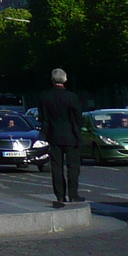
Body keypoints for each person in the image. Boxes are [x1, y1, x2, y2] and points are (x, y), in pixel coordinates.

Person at [37, 68, 85, 208]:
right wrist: (77, 130)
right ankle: (73, 194)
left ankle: (60, 195)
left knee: (56, 167)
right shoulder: (72, 97)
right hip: (71, 135)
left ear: (52, 80)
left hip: (53, 135)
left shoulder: (44, 96)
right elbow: (78, 117)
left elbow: (42, 117)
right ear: (65, 80)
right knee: (73, 167)